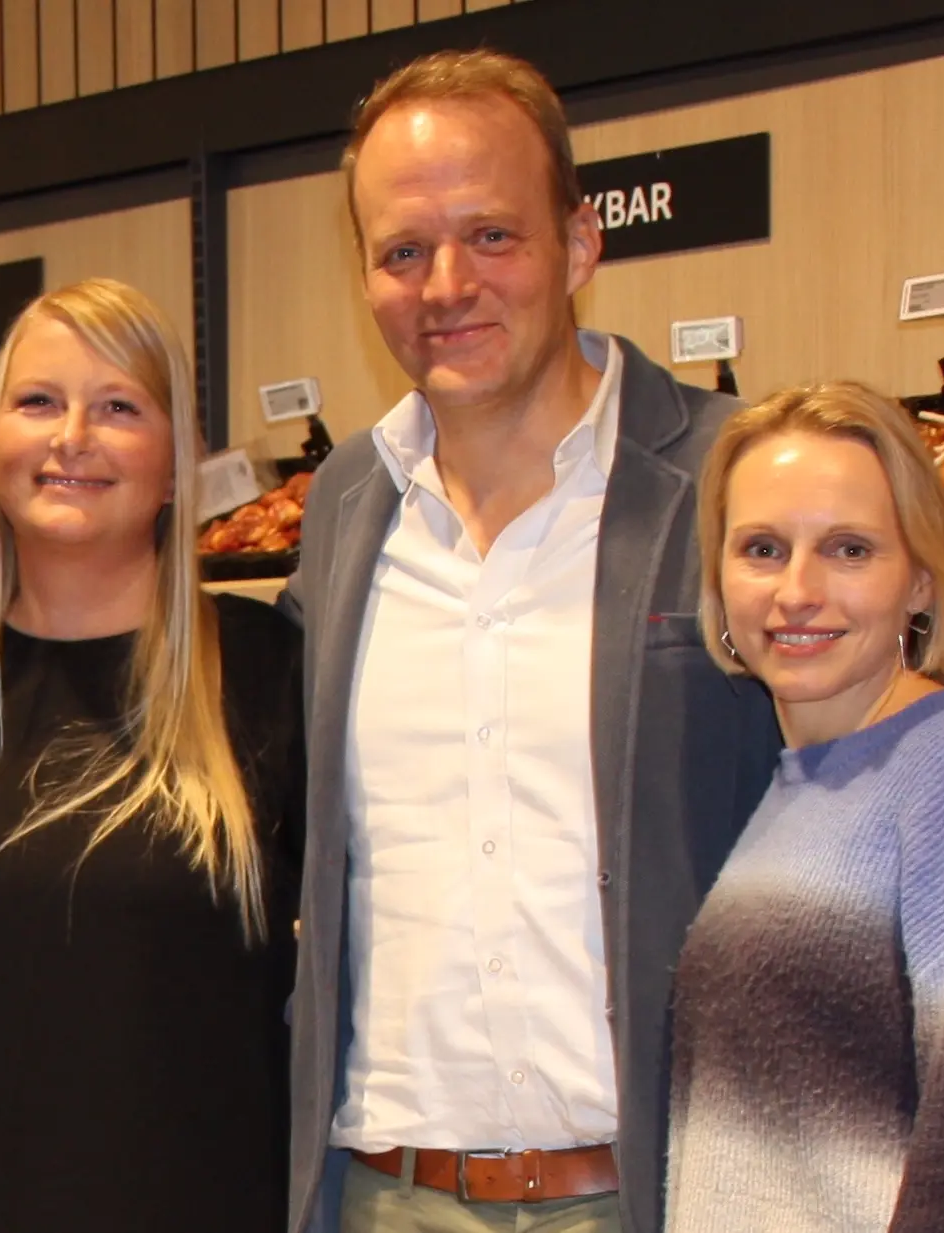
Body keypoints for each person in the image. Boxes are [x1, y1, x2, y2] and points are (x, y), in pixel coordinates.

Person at [282, 48, 783, 1233]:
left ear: (578, 241)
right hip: (385, 1196)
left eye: (491, 236)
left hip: (656, 1193)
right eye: (403, 252)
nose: (446, 285)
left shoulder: (732, 476)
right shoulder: (343, 507)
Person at [0, 278, 304, 1233]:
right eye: (38, 401)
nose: (72, 437)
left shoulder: (267, 673)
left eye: (119, 407)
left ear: (177, 465)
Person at [664, 381, 944, 1232]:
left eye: (849, 549)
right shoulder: (803, 786)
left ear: (920, 577)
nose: (797, 589)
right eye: (762, 548)